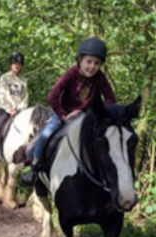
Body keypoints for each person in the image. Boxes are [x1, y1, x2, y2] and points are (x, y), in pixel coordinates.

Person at [22, 37, 116, 184]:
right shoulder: (71, 73)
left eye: (96, 63)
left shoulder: (100, 78)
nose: (92, 66)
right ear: (80, 60)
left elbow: (111, 99)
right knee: (46, 134)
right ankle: (34, 167)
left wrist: (101, 114)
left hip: (86, 115)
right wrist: (63, 115)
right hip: (63, 113)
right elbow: (52, 97)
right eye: (89, 62)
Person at [0, 52, 29, 160]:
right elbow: (1, 95)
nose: (16, 66)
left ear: (22, 65)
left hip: (20, 110)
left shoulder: (24, 81)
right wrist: (9, 109)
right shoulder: (4, 78)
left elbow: (25, 97)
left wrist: (21, 108)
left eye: (19, 64)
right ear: (11, 65)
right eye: (14, 63)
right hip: (7, 110)